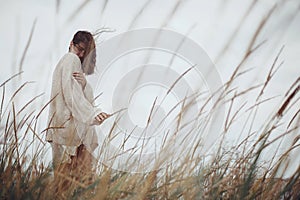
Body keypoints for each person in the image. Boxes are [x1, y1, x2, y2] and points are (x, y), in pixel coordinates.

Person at [46, 30, 109, 194]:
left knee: (64, 186)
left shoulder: (65, 63)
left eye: (84, 52)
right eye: (79, 49)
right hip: (72, 131)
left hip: (62, 128)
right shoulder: (70, 59)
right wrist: (93, 114)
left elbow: (72, 92)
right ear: (71, 44)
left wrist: (84, 85)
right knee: (81, 185)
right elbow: (71, 95)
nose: (80, 55)